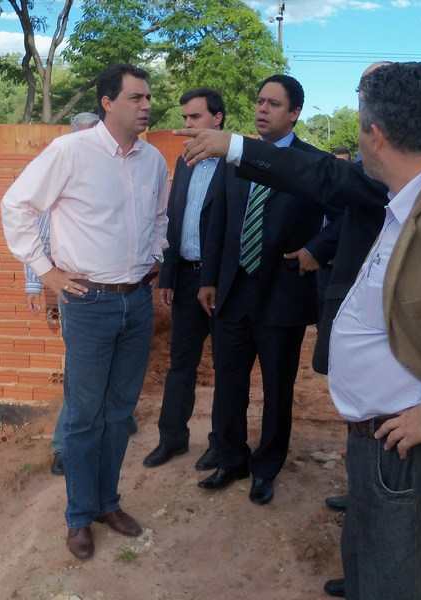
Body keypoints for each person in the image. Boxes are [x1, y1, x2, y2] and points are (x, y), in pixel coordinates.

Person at [176, 61, 421, 600]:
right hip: (373, 432)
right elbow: (322, 180)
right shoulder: (403, 193)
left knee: (403, 576)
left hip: (410, 440)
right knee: (373, 549)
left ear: (374, 134)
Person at [2, 63, 168, 560]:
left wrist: (156, 254)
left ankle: (106, 503)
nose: (146, 105)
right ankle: (78, 516)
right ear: (108, 103)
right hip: (89, 303)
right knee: (83, 415)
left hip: (136, 301)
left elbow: (161, 215)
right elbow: (16, 205)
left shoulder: (152, 160)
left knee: (119, 413)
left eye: (148, 97)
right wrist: (45, 271)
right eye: (136, 97)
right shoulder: (70, 152)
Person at [196, 74, 337, 506]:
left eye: (273, 104)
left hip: (283, 295)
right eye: (259, 101)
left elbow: (346, 218)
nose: (262, 109)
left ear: (294, 113)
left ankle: (267, 466)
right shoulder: (236, 157)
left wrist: (316, 249)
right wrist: (208, 278)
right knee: (229, 384)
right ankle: (232, 458)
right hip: (233, 292)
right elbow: (218, 219)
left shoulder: (315, 163)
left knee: (278, 390)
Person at [21, 112, 137, 478]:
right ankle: (65, 447)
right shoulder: (65, 170)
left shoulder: (117, 172)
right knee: (81, 376)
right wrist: (37, 281)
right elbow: (38, 230)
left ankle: (114, 421)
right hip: (80, 292)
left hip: (119, 292)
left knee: (109, 368)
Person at [142, 88, 227, 471]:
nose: (187, 124)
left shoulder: (236, 164)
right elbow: (174, 220)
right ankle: (171, 438)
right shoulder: (185, 161)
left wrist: (216, 277)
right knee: (181, 364)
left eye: (195, 117)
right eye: (185, 118)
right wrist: (168, 275)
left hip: (223, 284)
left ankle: (222, 445)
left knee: (227, 367)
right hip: (186, 279)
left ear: (217, 118)